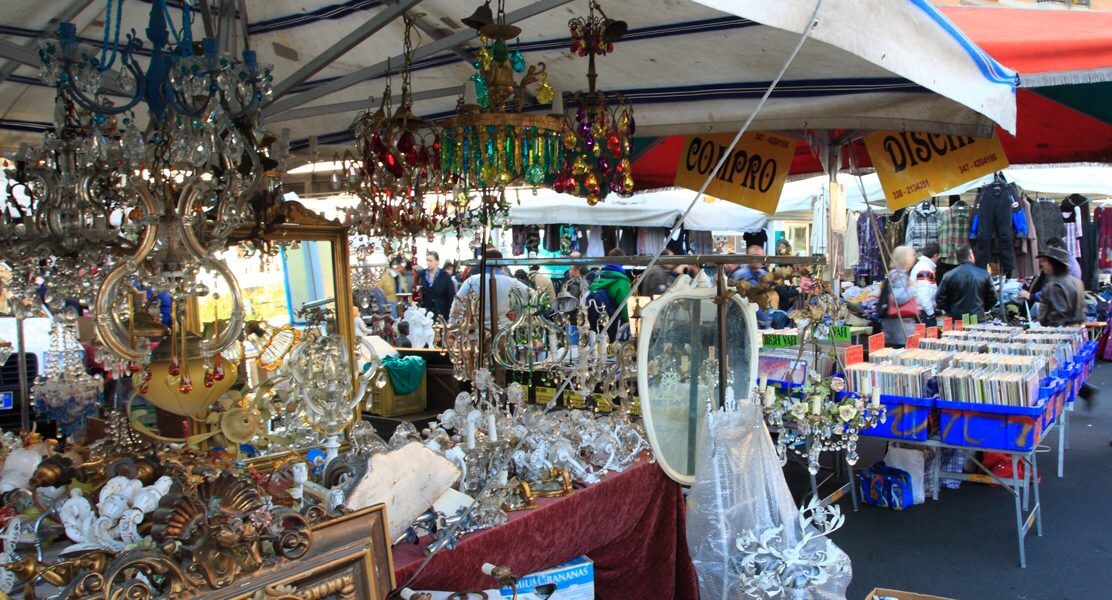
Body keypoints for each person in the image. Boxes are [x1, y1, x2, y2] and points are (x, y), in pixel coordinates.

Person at [450, 249, 530, 328]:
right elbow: (533, 297)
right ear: (501, 265)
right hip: (504, 332)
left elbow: (457, 307)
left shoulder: (471, 281)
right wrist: (518, 313)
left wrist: (454, 327)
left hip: (477, 334)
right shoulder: (512, 283)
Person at [935, 245, 997, 322]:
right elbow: (993, 297)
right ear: (970, 255)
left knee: (959, 334)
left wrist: (950, 310)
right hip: (977, 317)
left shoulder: (949, 275)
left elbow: (940, 299)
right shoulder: (984, 274)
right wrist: (983, 308)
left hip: (957, 319)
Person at [588, 248, 633, 340]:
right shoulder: (620, 280)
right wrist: (631, 322)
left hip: (595, 325)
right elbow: (625, 307)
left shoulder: (599, 277)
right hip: (613, 327)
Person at [879, 245, 919, 347]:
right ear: (904, 258)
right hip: (900, 329)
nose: (914, 258)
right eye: (911, 255)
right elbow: (897, 298)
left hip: (897, 328)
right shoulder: (899, 275)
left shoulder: (896, 274)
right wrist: (912, 287)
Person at [415, 251, 456, 321]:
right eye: (427, 260)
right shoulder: (421, 275)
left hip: (441, 313)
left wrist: (450, 316)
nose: (428, 263)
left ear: (437, 261)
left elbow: (450, 297)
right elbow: (415, 293)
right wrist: (417, 291)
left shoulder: (445, 277)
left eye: (431, 261)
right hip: (425, 313)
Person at [910, 243, 941, 328]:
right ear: (935, 255)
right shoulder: (925, 269)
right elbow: (923, 295)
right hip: (922, 312)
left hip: (920, 310)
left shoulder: (922, 266)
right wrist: (931, 314)